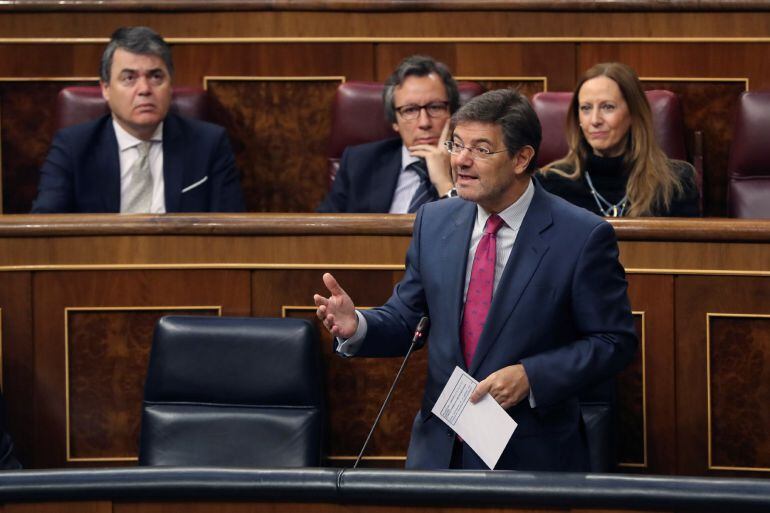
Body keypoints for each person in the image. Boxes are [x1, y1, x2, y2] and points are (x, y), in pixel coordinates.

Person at [314, 89, 637, 471]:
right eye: (456, 145)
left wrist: (531, 377)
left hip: (529, 458)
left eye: (481, 149)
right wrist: (358, 326)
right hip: (438, 455)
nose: (461, 161)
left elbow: (614, 341)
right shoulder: (434, 222)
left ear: (522, 158)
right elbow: (407, 320)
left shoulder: (581, 236)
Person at [31, 26, 245, 214]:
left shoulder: (209, 144)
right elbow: (47, 230)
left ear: (170, 86)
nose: (144, 89)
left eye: (155, 77)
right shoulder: (72, 147)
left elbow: (230, 233)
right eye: (129, 78)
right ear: (105, 89)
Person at [537, 62, 699, 217]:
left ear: (634, 114)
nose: (595, 120)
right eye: (586, 108)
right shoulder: (549, 184)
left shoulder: (676, 183)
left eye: (608, 107)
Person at [317, 55, 458, 213]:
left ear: (452, 114)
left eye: (435, 107)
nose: (424, 123)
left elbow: (475, 232)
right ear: (395, 122)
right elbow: (323, 232)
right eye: (410, 110)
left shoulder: (472, 165)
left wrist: (444, 183)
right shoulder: (359, 163)